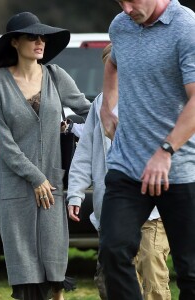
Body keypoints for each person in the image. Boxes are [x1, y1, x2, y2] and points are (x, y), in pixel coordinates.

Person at [0, 12, 91, 300]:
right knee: (25, 270)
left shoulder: (56, 76)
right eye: (32, 37)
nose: (40, 42)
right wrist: (35, 177)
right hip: (13, 185)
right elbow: (3, 141)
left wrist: (119, 112)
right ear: (15, 43)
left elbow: (88, 110)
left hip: (52, 185)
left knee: (53, 265)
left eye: (42, 37)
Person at [99, 0, 195, 299]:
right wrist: (106, 106)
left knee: (190, 270)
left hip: (180, 170)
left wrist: (165, 151)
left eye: (132, 0)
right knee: (112, 252)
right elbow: (113, 63)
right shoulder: (121, 26)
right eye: (120, 1)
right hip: (127, 166)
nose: (126, 9)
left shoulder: (187, 29)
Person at [67, 43, 171, 300]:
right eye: (110, 70)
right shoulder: (100, 104)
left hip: (152, 210)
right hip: (113, 208)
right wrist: (76, 194)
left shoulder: (155, 99)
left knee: (152, 271)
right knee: (113, 280)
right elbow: (85, 153)